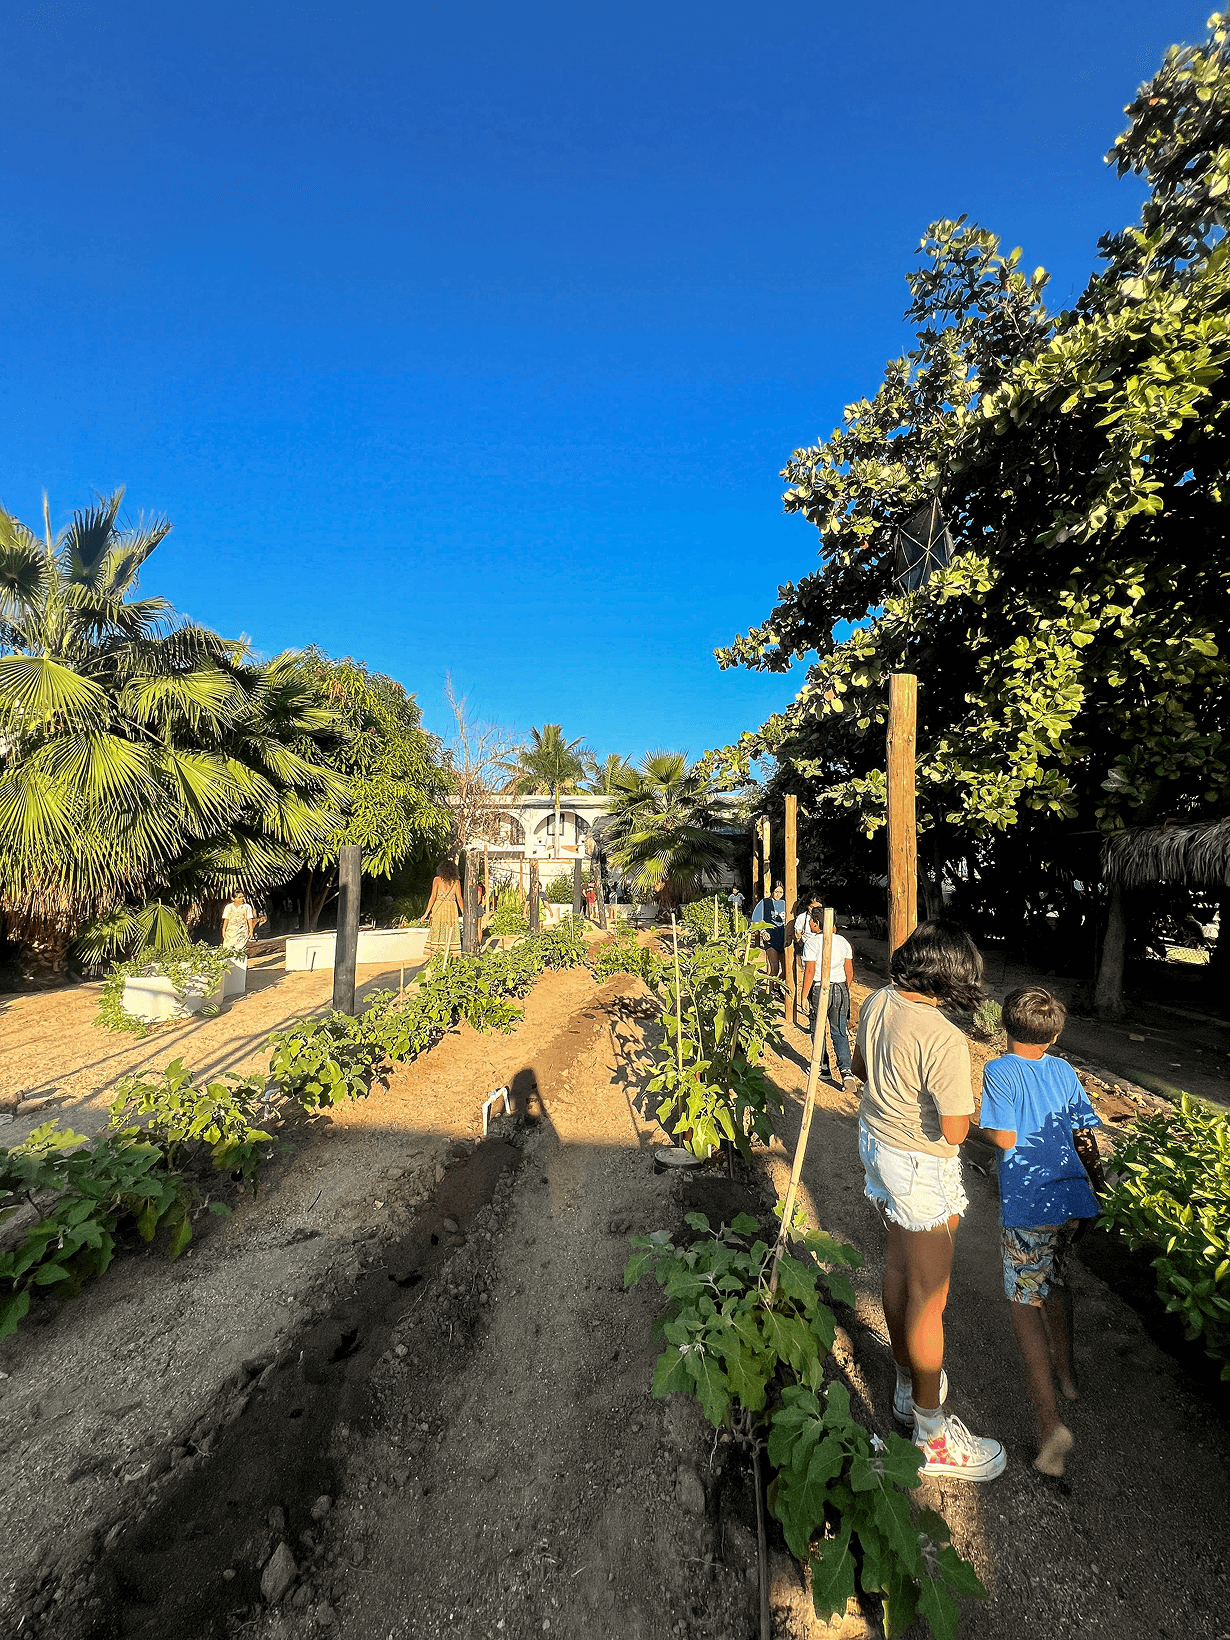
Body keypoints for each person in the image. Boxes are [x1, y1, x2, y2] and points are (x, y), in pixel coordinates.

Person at [850, 920, 1007, 1481]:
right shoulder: (943, 1037)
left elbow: (860, 1070)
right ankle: (931, 1434)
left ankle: (903, 1383)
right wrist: (997, 1129)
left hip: (878, 1145)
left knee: (899, 1267)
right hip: (919, 1163)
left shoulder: (878, 999)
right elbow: (957, 1129)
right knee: (928, 1294)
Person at [974, 986, 1101, 1478]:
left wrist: (968, 1129)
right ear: (1054, 1033)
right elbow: (1083, 1132)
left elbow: (1003, 1138)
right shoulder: (1065, 1070)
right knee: (1056, 1281)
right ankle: (1067, 1375)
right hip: (1071, 1200)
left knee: (1024, 1303)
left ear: (1005, 1023)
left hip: (1029, 1207)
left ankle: (1051, 1430)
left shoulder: (1000, 1070)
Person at [800, 905, 856, 1086]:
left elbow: (809, 971)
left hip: (819, 988)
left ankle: (822, 1068)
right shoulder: (842, 942)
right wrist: (844, 989)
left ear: (817, 923)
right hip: (840, 988)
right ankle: (846, 1072)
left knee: (818, 1029)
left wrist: (803, 995)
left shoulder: (812, 943)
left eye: (811, 920)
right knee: (839, 1029)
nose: (809, 923)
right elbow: (849, 971)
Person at [424, 859, 464, 955]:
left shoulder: (437, 880)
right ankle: (452, 953)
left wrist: (425, 914)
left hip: (439, 907)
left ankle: (436, 953)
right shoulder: (456, 882)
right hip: (451, 909)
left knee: (437, 929)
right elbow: (459, 898)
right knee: (451, 929)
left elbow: (433, 896)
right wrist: (464, 913)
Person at [750, 882, 787, 979]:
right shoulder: (765, 903)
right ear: (772, 891)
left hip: (784, 939)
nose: (778, 894)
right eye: (776, 892)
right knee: (774, 969)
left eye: (781, 892)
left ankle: (776, 987)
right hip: (771, 939)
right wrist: (763, 931)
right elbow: (756, 920)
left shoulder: (785, 904)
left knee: (786, 970)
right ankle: (768, 992)